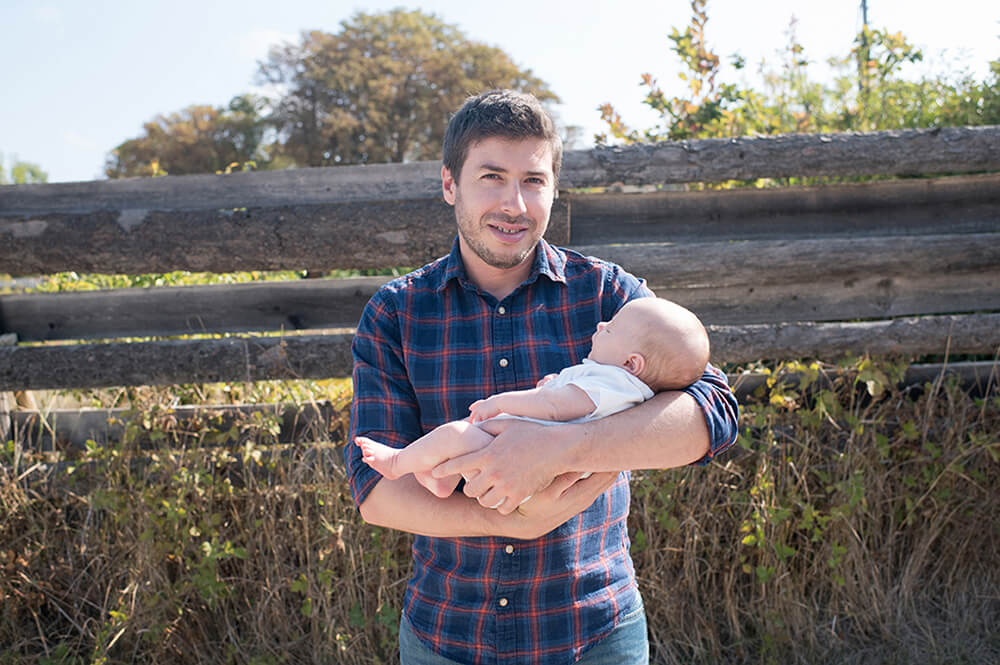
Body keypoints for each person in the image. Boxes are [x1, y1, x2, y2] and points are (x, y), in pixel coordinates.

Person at [346, 89, 739, 665]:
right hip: (449, 634)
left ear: (554, 189)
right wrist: (509, 519)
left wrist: (558, 447)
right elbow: (375, 492)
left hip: (594, 630)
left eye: (533, 181)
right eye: (491, 177)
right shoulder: (397, 311)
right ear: (450, 184)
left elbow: (712, 416)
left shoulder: (610, 295)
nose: (515, 204)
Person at [355, 297, 711, 505]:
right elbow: (568, 400)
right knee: (460, 446)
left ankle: (398, 462)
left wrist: (501, 401)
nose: (602, 325)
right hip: (537, 470)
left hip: (518, 452)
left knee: (454, 435)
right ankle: (443, 480)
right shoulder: (626, 388)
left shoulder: (613, 380)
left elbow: (557, 406)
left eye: (612, 328)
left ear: (632, 363)